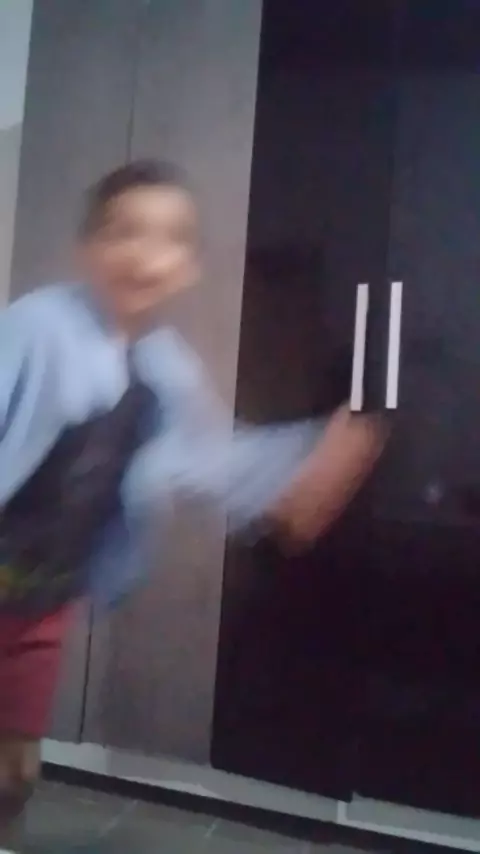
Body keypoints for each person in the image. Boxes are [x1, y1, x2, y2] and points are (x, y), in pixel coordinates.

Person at [0, 159, 385, 851]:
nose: (145, 253)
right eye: (124, 231)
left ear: (189, 266)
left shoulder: (163, 366)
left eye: (169, 237)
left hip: (39, 604)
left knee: (14, 770)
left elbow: (215, 454)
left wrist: (312, 460)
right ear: (88, 249)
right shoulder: (35, 327)